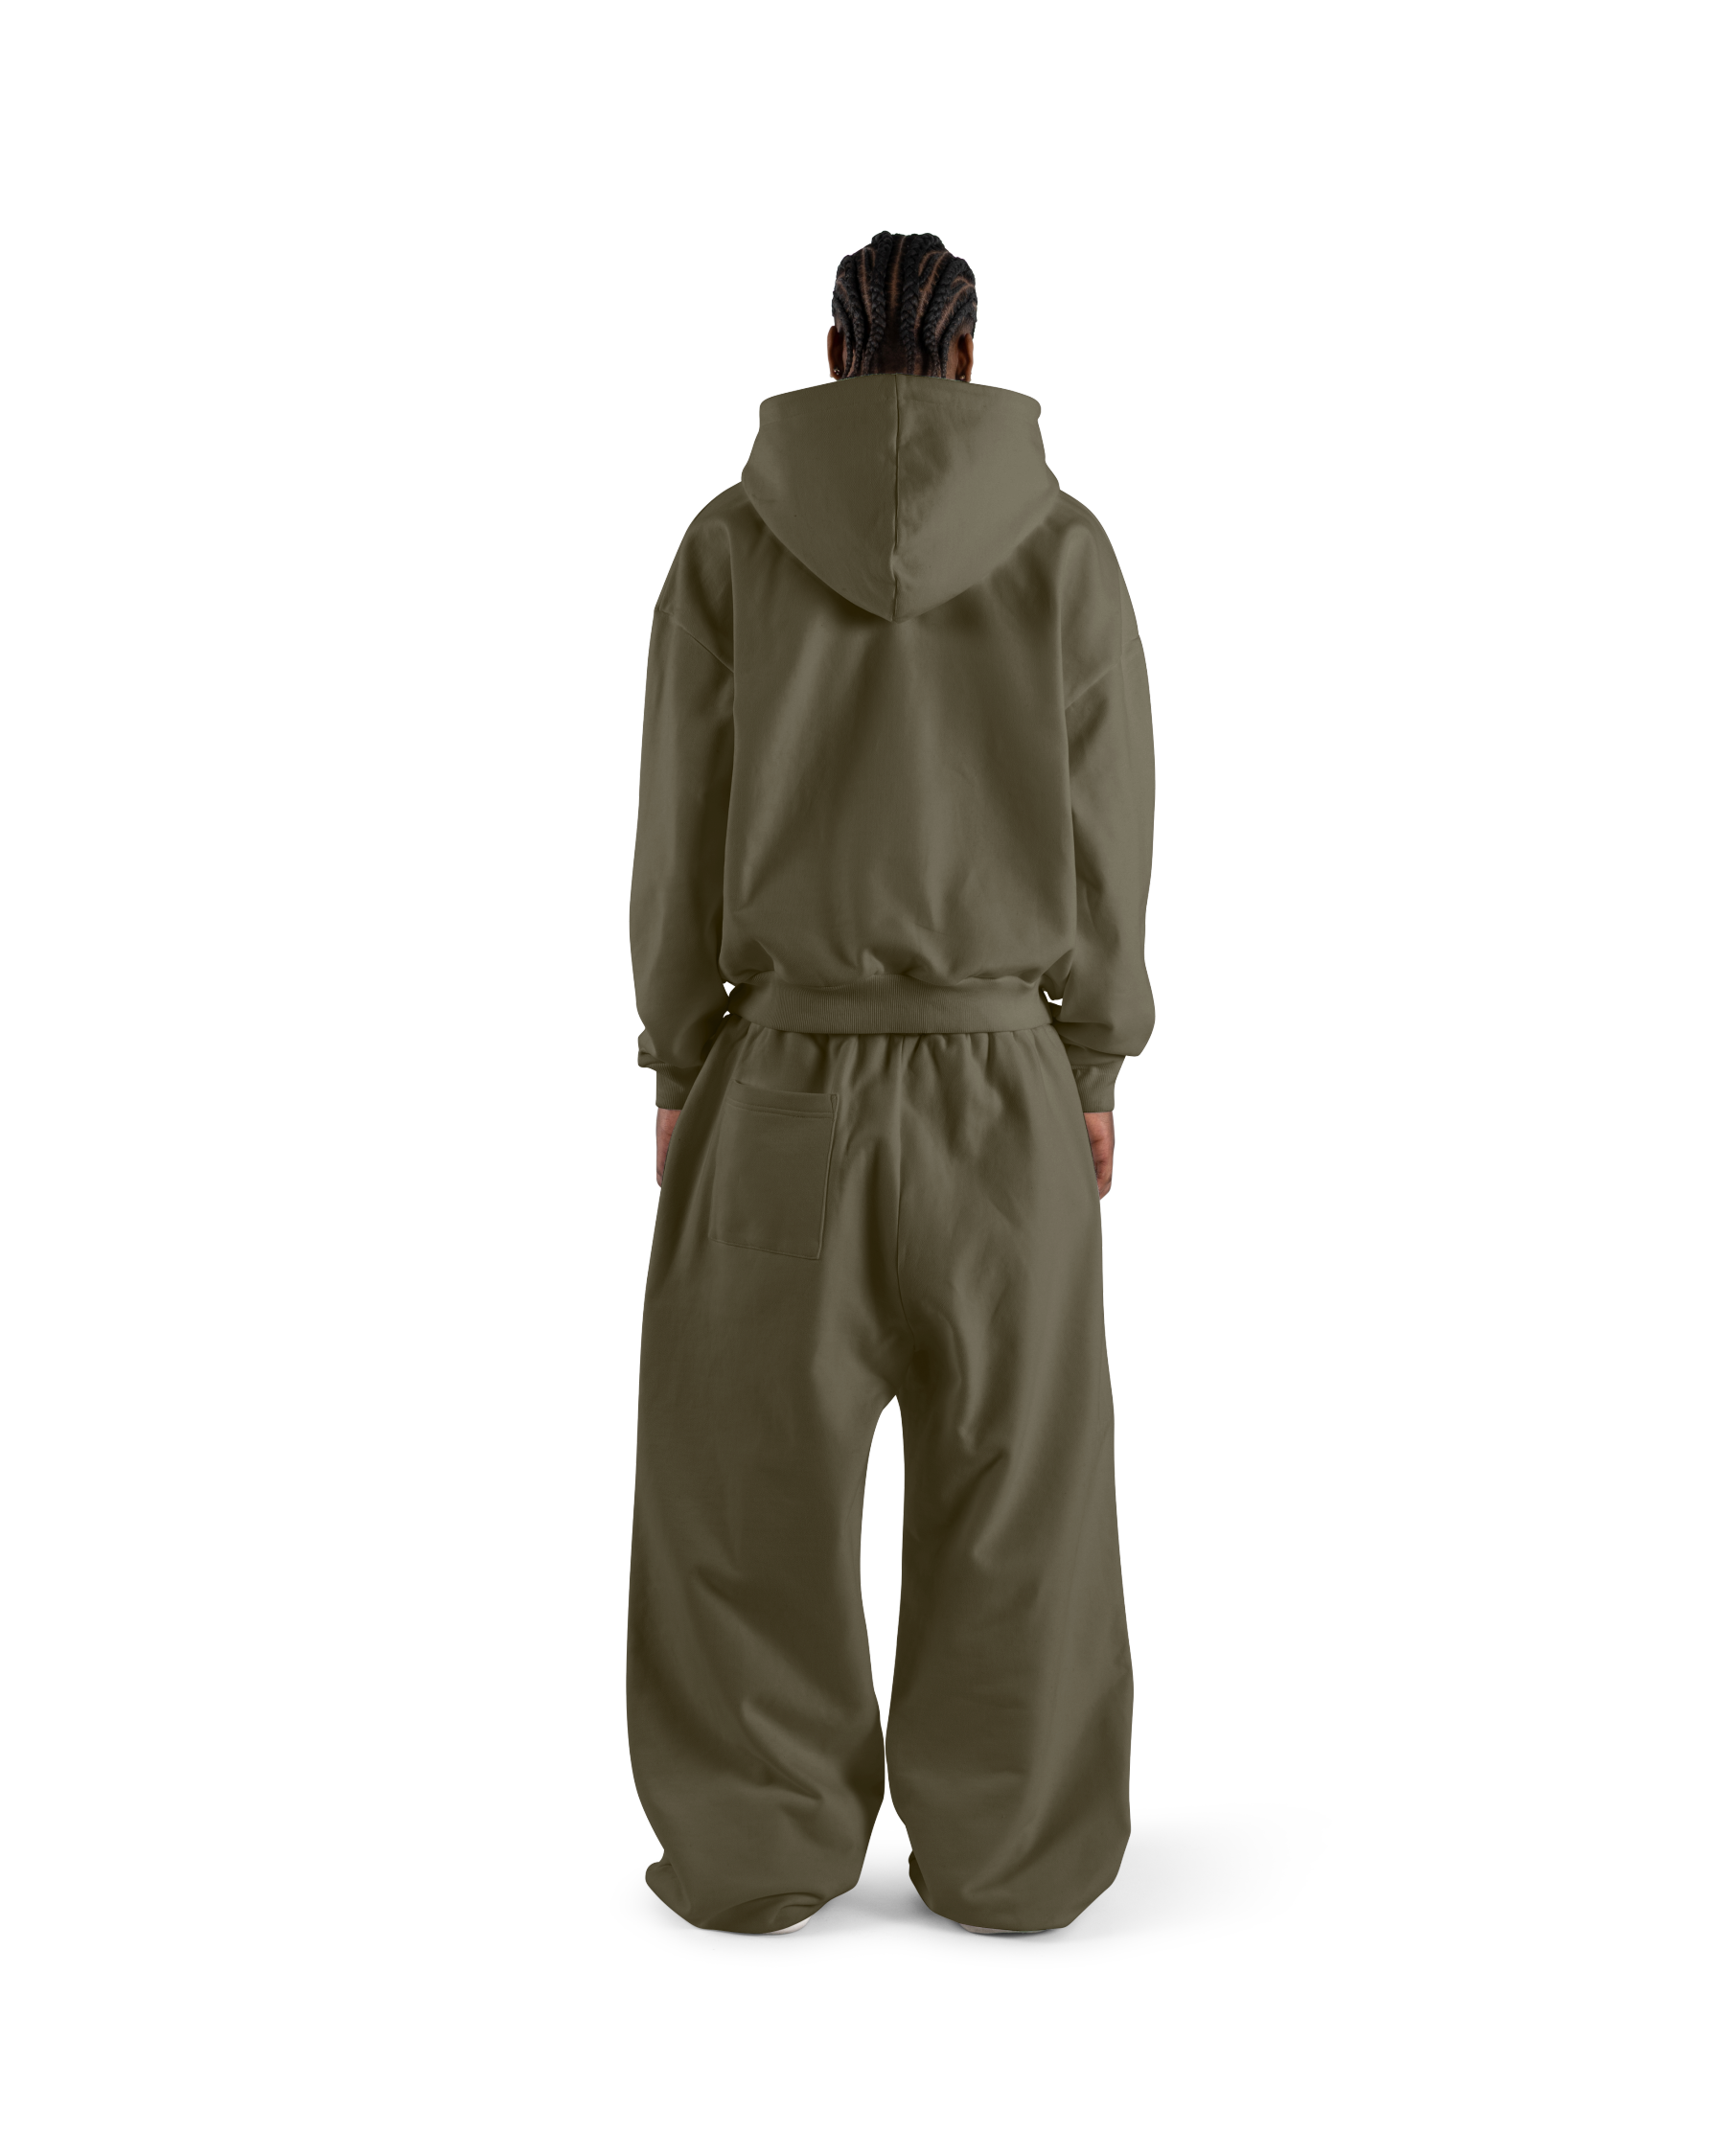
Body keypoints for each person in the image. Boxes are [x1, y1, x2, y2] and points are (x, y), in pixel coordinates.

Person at [626, 230, 1155, 1937]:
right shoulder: (1065, 553)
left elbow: (681, 820)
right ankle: (1014, 1864)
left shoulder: (730, 545)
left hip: (783, 1068)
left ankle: (749, 1856)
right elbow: (1109, 827)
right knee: (1024, 1497)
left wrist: (680, 1053)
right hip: (1008, 1080)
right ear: (967, 357)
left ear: (837, 352)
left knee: (745, 1491)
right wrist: (1096, 1056)